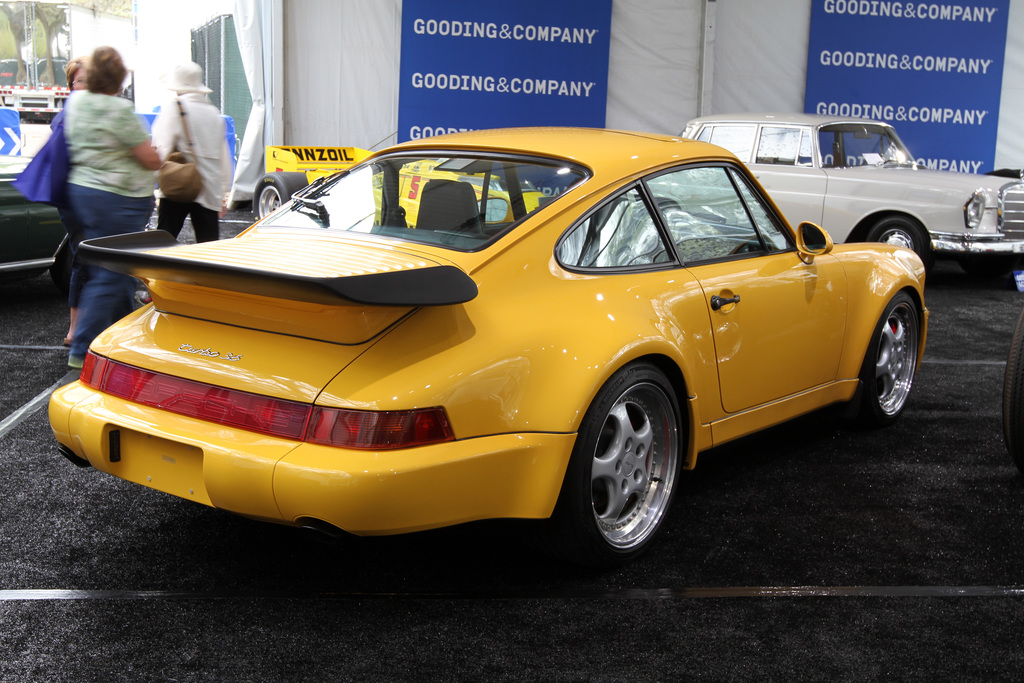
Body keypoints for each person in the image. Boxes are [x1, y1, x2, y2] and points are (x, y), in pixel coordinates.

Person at [64, 46, 161, 370]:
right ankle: (82, 352)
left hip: (85, 192)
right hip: (119, 197)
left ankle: (119, 342)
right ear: (119, 80)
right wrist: (162, 156)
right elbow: (148, 158)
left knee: (109, 268)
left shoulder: (76, 103)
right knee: (114, 273)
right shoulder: (119, 111)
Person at [152, 61, 232, 242]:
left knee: (163, 241)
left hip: (177, 184)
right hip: (209, 189)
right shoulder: (214, 113)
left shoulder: (174, 108)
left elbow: (161, 146)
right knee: (208, 247)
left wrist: (155, 179)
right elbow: (223, 156)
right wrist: (223, 193)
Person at [52, 55, 88, 346]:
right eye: (80, 79)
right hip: (77, 198)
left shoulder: (76, 111)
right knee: (84, 259)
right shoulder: (72, 114)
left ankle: (77, 329)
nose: (86, 84)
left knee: (85, 258)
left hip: (77, 196)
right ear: (71, 85)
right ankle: (75, 330)